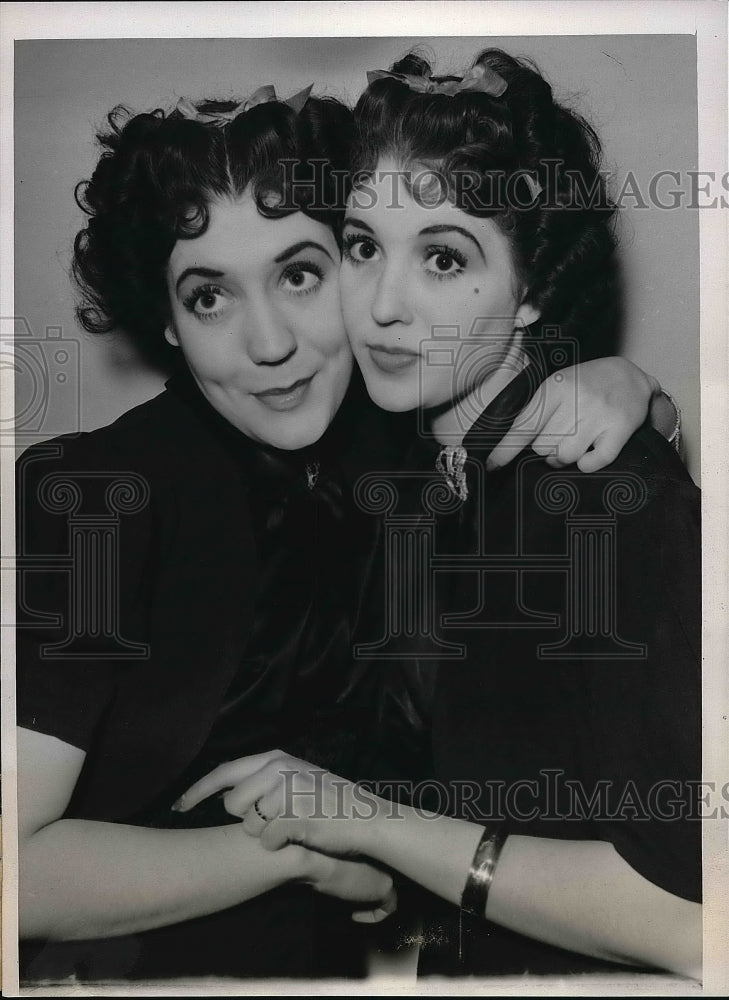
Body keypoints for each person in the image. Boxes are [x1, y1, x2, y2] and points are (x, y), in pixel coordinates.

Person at [17, 78, 679, 983]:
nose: (271, 343)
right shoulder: (99, 497)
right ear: (165, 322)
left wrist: (626, 386)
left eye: (299, 274)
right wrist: (302, 845)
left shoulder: (395, 449)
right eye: (208, 296)